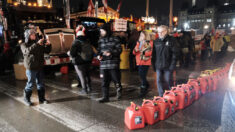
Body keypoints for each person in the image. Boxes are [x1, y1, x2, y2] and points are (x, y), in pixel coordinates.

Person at [21, 27, 51, 106]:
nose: (34, 35)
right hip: (31, 68)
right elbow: (27, 51)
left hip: (40, 67)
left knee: (41, 83)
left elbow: (47, 51)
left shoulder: (38, 44)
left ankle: (42, 99)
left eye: (34, 34)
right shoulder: (24, 45)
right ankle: (26, 99)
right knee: (30, 84)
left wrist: (48, 45)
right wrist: (37, 44)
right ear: (28, 36)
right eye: (32, 34)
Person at [97, 23, 122, 103]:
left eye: (103, 31)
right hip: (103, 64)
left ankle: (119, 89)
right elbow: (99, 51)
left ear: (107, 31)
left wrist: (111, 52)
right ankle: (105, 97)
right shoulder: (100, 40)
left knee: (116, 79)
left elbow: (119, 50)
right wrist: (99, 56)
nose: (101, 33)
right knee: (104, 81)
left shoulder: (115, 39)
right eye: (100, 31)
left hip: (113, 64)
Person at [152, 25, 178, 97]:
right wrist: (153, 65)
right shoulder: (156, 41)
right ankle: (161, 95)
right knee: (159, 80)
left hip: (168, 65)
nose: (159, 33)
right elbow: (154, 54)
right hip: (158, 65)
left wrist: (172, 66)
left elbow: (175, 54)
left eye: (161, 32)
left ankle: (171, 94)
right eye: (158, 32)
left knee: (168, 80)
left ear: (166, 31)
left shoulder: (171, 40)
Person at [70, 25, 93, 94]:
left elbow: (72, 54)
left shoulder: (75, 42)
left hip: (79, 62)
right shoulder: (87, 41)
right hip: (88, 60)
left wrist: (69, 53)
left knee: (82, 76)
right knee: (87, 75)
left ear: (77, 35)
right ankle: (89, 87)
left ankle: (84, 90)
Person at [133, 31, 153, 98]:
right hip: (139, 61)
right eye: (140, 35)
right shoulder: (138, 42)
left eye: (142, 35)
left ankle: (143, 90)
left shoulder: (149, 42)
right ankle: (146, 85)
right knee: (141, 75)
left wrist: (142, 52)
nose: (140, 36)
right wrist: (136, 50)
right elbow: (134, 52)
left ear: (146, 36)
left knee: (142, 76)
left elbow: (149, 53)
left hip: (145, 62)